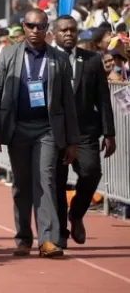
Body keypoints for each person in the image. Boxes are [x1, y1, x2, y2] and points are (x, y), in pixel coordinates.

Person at [0, 8, 79, 258]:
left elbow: (67, 103)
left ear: (47, 29)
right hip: (17, 128)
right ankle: (23, 237)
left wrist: (72, 140)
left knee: (46, 180)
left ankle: (48, 239)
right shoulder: (8, 55)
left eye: (40, 27)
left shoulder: (58, 59)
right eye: (30, 26)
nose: (35, 31)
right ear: (23, 26)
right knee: (21, 185)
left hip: (47, 129)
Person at [52, 15, 116, 249]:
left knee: (91, 172)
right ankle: (59, 231)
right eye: (64, 30)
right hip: (55, 132)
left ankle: (77, 213)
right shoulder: (46, 58)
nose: (69, 34)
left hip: (85, 131)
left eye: (73, 30)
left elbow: (103, 98)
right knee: (56, 183)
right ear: (54, 33)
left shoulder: (90, 60)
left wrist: (109, 133)